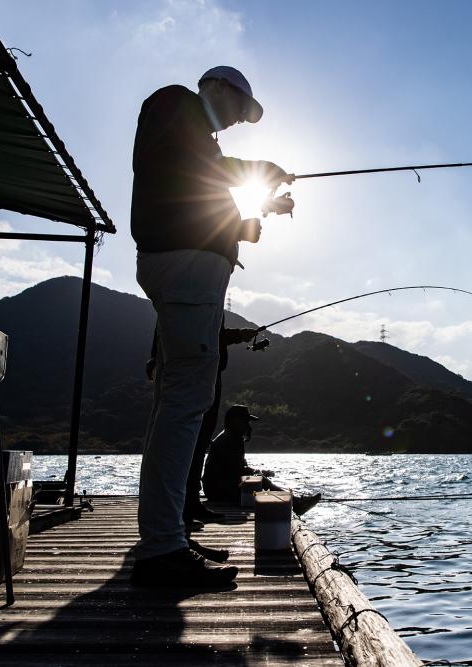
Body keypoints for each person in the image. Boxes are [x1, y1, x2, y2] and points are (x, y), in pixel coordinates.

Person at [130, 66, 292, 588]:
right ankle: (162, 550)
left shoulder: (194, 135)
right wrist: (257, 170)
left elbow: (193, 191)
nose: (240, 120)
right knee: (184, 404)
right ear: (218, 87)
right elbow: (200, 168)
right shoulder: (175, 102)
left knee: (175, 405)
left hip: (187, 268)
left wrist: (249, 219)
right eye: (241, 108)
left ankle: (168, 532)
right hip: (185, 271)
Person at [145, 317, 256, 528]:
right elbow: (205, 332)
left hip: (202, 368)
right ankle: (185, 509)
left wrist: (154, 355)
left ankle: (190, 504)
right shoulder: (201, 291)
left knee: (197, 442)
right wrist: (239, 335)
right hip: (200, 371)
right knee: (193, 440)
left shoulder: (188, 293)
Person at [203, 405, 321, 515]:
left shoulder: (229, 436)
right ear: (234, 420)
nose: (247, 425)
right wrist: (259, 474)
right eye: (245, 421)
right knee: (260, 480)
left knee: (259, 478)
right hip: (218, 491)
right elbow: (237, 470)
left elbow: (237, 468)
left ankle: (291, 500)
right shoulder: (231, 439)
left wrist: (258, 472)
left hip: (215, 488)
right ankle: (294, 502)